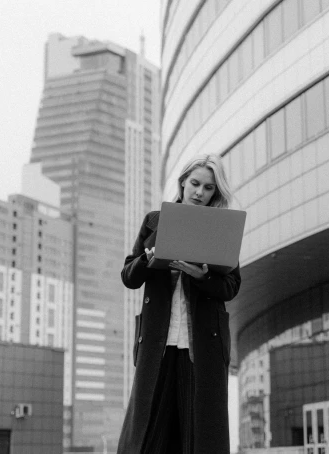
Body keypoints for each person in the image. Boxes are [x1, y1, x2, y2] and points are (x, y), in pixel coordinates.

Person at [117, 154, 241, 454]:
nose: (199, 192)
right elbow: (129, 277)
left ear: (215, 192)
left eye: (208, 188)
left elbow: (231, 286)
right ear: (183, 182)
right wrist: (149, 257)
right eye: (195, 184)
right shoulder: (154, 221)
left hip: (201, 345)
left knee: (196, 437)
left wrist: (202, 276)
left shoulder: (220, 227)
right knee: (149, 435)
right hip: (158, 343)